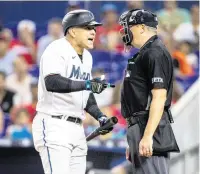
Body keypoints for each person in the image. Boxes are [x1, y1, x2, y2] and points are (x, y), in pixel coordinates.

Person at [32, 9, 114, 174]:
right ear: (73, 31)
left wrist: (100, 116)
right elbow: (52, 82)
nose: (93, 32)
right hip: (54, 123)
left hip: (77, 127)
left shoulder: (88, 57)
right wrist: (88, 84)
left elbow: (85, 94)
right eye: (88, 28)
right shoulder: (56, 49)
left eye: (94, 28)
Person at [118, 9, 179, 174]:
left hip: (149, 128)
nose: (125, 31)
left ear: (142, 28)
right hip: (140, 128)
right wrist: (133, 139)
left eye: (128, 26)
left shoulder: (155, 52)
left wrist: (147, 136)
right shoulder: (145, 53)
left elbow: (159, 97)